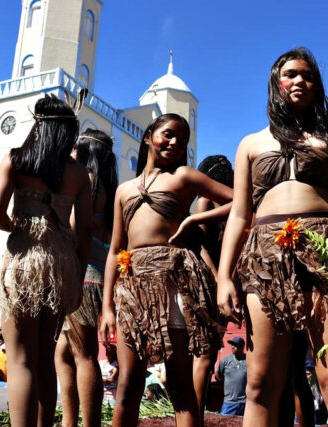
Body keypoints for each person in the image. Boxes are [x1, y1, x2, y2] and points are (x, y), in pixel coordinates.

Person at [217, 47, 328, 427]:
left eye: (308, 76)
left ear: (317, 86)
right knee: (261, 383)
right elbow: (240, 214)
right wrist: (224, 276)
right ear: (276, 83)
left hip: (327, 250)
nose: (300, 81)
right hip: (266, 257)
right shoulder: (250, 144)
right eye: (291, 74)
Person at [100, 113, 233, 427]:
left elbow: (240, 201)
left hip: (173, 282)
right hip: (133, 286)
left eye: (182, 141)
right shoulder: (124, 190)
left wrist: (193, 219)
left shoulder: (183, 177)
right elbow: (116, 250)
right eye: (168, 134)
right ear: (148, 136)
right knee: (128, 382)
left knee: (180, 382)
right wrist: (106, 308)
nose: (175, 143)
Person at [0, 94, 92, 427]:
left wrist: (19, 226)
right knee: (45, 358)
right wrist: (77, 279)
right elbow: (85, 232)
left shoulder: (16, 160)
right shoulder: (80, 174)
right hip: (62, 265)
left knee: (21, 360)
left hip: (25, 261)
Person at [55, 128, 117, 427]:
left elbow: (72, 227)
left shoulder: (88, 181)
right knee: (64, 354)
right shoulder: (109, 186)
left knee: (84, 355)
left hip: (83, 276)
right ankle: (69, 422)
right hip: (94, 275)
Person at [192, 154, 234, 420]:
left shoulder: (229, 202)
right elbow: (202, 248)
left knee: (210, 354)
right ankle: (194, 419)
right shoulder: (204, 203)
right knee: (205, 355)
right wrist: (219, 280)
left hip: (225, 282)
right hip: (209, 284)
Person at [215, 337, 247, 416]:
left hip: (245, 402)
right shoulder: (225, 360)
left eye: (235, 345)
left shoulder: (248, 360)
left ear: (242, 347)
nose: (232, 347)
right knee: (223, 421)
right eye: (232, 345)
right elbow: (218, 376)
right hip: (229, 402)